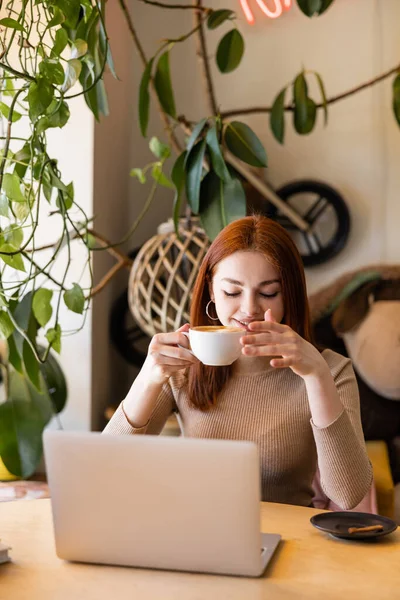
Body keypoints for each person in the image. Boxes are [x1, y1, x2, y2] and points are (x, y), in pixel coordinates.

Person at [104, 215, 372, 509]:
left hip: (290, 542)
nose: (249, 309)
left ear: (290, 294)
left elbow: (348, 495)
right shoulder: (184, 363)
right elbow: (108, 470)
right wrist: (147, 379)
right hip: (196, 536)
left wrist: (317, 376)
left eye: (269, 293)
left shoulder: (330, 370)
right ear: (210, 290)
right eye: (232, 292)